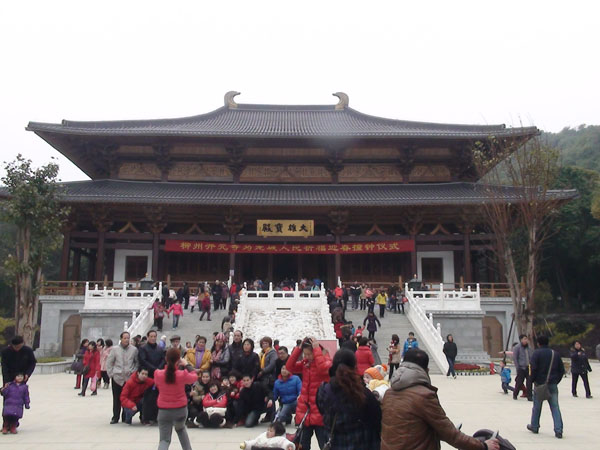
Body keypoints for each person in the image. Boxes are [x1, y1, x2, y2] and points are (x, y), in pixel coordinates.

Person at [381, 349, 499, 450]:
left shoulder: (389, 393)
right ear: (426, 370)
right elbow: (450, 434)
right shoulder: (423, 396)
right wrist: (483, 446)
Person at [317, 349, 381, 449]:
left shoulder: (323, 392)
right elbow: (377, 422)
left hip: (335, 444)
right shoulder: (364, 395)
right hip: (360, 444)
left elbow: (323, 412)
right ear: (355, 367)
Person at [286, 337, 332, 450]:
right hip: (306, 411)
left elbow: (323, 369)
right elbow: (289, 367)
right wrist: (298, 349)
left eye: (309, 354)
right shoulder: (305, 363)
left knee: (324, 444)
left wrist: (316, 350)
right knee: (303, 445)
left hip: (320, 411)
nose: (306, 357)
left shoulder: (327, 361)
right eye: (304, 354)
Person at [154, 348, 197, 450]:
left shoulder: (158, 374)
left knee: (164, 440)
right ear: (178, 360)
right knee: (181, 430)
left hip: (164, 410)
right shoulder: (182, 374)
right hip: (180, 409)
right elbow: (194, 377)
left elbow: (157, 384)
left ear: (166, 359)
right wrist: (187, 364)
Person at [527, 335, 565, 439]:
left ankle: (535, 426)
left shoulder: (536, 353)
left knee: (537, 406)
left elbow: (533, 369)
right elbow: (561, 370)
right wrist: (556, 381)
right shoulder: (555, 354)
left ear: (538, 343)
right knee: (555, 407)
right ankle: (558, 430)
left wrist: (532, 381)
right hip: (552, 383)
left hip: (540, 384)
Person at [106, 331, 139, 424]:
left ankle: (125, 416)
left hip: (129, 378)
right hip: (117, 377)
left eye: (128, 338)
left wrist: (133, 372)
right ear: (121, 339)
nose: (126, 340)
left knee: (127, 398)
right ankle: (115, 417)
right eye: (124, 338)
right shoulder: (115, 349)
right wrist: (111, 374)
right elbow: (109, 362)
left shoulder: (134, 350)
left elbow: (136, 362)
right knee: (116, 398)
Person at [512, 334, 533, 401]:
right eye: (524, 339)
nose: (526, 340)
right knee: (519, 382)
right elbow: (515, 358)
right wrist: (517, 367)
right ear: (521, 340)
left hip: (528, 367)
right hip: (521, 368)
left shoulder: (529, 347)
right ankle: (515, 394)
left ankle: (529, 396)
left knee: (529, 382)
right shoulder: (517, 347)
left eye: (526, 339)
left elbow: (531, 356)